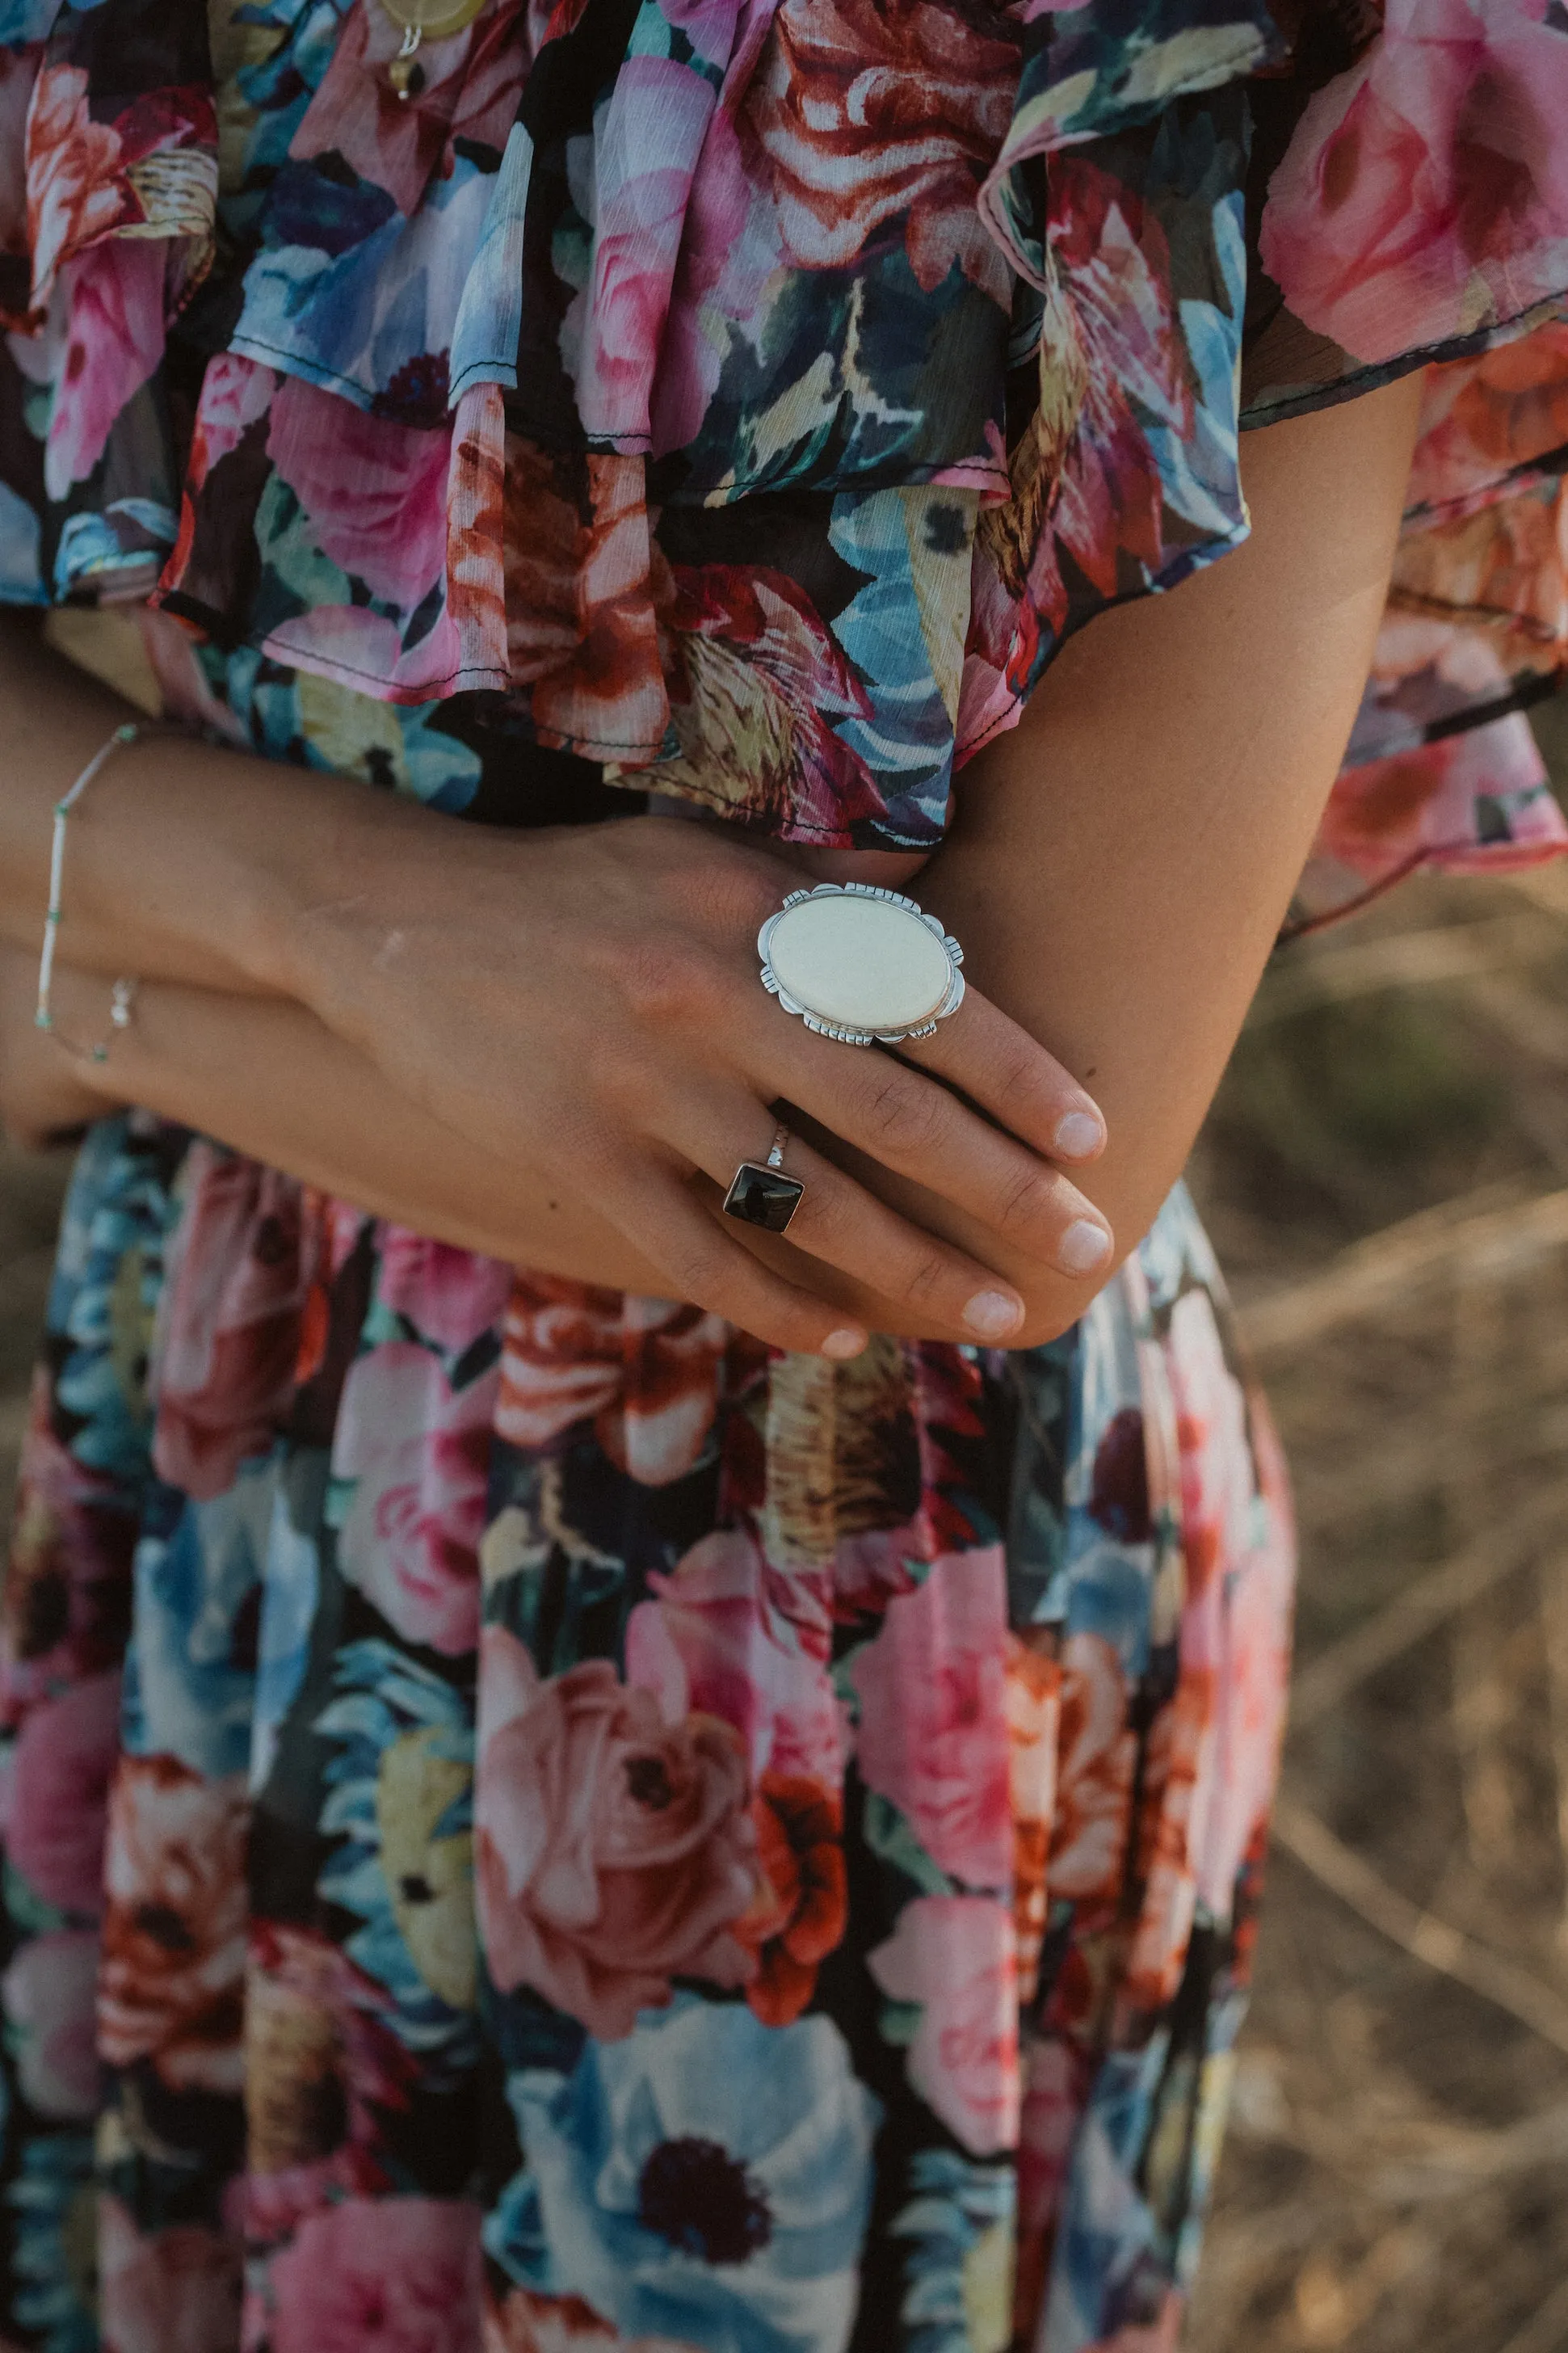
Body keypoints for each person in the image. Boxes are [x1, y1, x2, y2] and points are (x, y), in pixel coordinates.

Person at [0, 2, 1562, 2347]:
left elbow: (973, 1183)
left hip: (832, 1581)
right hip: (207, 1436)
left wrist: (68, 949)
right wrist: (356, 930)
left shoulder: (1273, 36)